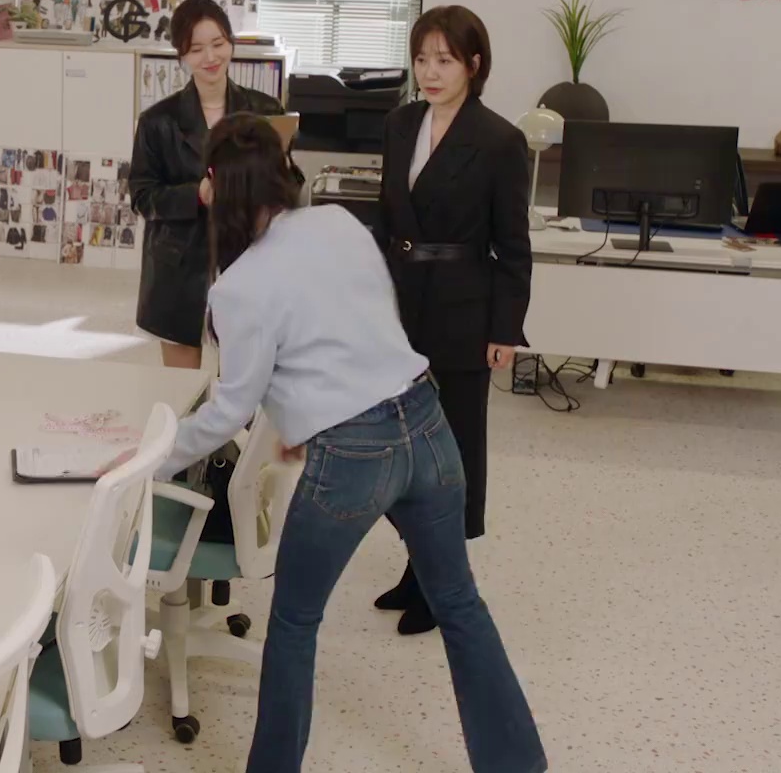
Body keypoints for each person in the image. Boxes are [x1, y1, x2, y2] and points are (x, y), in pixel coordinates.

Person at [153, 113, 544, 773]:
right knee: (460, 605)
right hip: (427, 423)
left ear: (220, 184)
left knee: (295, 622)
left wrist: (150, 460)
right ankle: (517, 764)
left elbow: (228, 411)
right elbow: (364, 322)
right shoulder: (338, 222)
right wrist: (303, 418)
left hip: (353, 456)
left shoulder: (237, 287)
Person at [370, 6, 533, 635]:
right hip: (400, 303)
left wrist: (505, 329)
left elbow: (513, 247)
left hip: (464, 308)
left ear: (474, 64)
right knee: (400, 444)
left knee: (453, 452)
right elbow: (386, 218)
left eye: (444, 59)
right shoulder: (399, 123)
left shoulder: (499, 141)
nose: (430, 72)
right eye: (421, 59)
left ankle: (442, 583)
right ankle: (416, 566)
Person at [129, 0, 282, 369]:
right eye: (196, 49)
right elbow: (143, 195)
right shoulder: (157, 121)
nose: (210, 57)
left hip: (248, 256)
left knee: (244, 382)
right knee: (182, 388)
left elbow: (287, 184)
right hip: (179, 263)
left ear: (231, 42)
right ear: (181, 55)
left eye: (218, 43)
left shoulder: (265, 112)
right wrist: (196, 194)